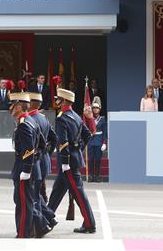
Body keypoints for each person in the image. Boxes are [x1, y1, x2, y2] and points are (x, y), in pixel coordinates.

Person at [47, 88, 96, 234]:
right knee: (57, 191)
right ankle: (46, 218)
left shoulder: (62, 118)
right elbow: (87, 135)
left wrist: (66, 161)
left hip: (68, 163)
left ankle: (89, 224)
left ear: (64, 101)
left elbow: (63, 143)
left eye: (59, 100)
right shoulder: (75, 116)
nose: (57, 102)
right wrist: (78, 149)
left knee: (78, 193)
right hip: (73, 159)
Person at [8, 92, 38, 238]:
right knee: (24, 201)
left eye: (12, 105)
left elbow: (29, 149)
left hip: (23, 167)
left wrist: (26, 170)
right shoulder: (31, 120)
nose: (10, 108)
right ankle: (28, 230)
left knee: (22, 203)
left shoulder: (23, 124)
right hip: (26, 166)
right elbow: (43, 144)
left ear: (19, 107)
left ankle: (23, 233)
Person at [28, 92, 58, 234]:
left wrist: (42, 152)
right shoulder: (43, 118)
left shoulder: (31, 119)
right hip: (44, 160)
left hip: (36, 162)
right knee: (37, 194)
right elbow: (54, 138)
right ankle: (49, 218)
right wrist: (48, 152)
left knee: (33, 195)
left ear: (33, 103)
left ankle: (39, 225)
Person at [87, 97, 107, 182]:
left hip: (99, 141)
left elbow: (105, 132)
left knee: (98, 160)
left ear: (100, 109)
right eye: (94, 108)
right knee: (91, 159)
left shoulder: (102, 119)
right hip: (91, 141)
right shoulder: (89, 118)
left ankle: (97, 176)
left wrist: (104, 143)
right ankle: (91, 176)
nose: (95, 110)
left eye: (97, 108)